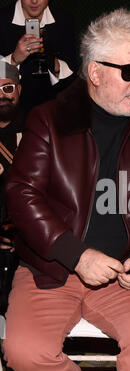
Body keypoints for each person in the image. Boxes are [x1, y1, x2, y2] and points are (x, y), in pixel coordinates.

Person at [3, 9, 130, 371]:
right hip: (50, 269)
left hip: (122, 274)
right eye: (129, 72)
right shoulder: (48, 120)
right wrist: (76, 255)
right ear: (95, 72)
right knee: (24, 351)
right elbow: (20, 193)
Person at [0, 0, 77, 113]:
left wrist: (52, 62)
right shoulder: (2, 20)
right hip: (9, 112)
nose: (34, 1)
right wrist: (13, 59)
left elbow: (72, 79)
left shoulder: (64, 19)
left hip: (52, 110)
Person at [0, 62, 24, 315]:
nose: (2, 96)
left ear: (18, 89)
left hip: (28, 237)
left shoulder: (39, 128)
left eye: (7, 88)